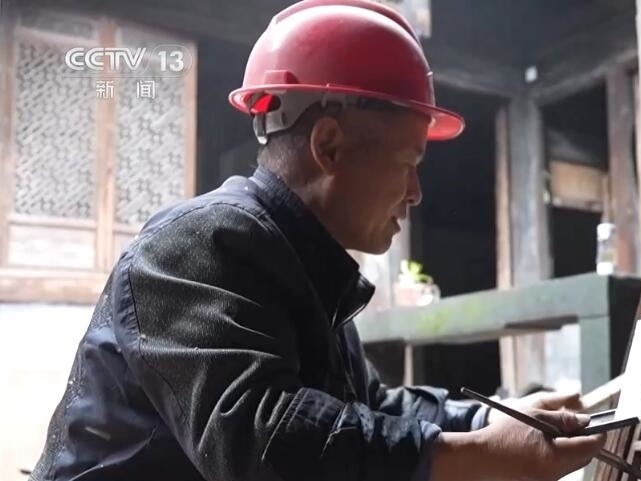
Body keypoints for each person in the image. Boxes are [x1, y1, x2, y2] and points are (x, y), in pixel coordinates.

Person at [29, 1, 605, 480]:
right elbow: (266, 442)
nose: (415, 194)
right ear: (329, 147)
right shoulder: (191, 249)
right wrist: (478, 456)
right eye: (408, 163)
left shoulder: (304, 267)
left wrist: (491, 419)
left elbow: (371, 408)